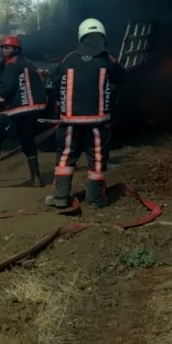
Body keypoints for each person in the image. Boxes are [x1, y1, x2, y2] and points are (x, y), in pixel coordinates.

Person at [46, 18, 128, 209]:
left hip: (70, 122)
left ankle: (60, 197)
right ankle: (95, 199)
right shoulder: (107, 60)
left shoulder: (68, 59)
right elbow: (122, 78)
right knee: (97, 159)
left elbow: (56, 83)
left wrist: (62, 104)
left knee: (66, 157)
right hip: (98, 123)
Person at [0, 35, 49, 187]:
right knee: (27, 140)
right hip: (29, 110)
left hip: (17, 110)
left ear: (16, 49)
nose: (4, 50)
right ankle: (36, 178)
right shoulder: (27, 64)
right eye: (3, 47)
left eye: (7, 47)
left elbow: (7, 88)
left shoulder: (12, 64)